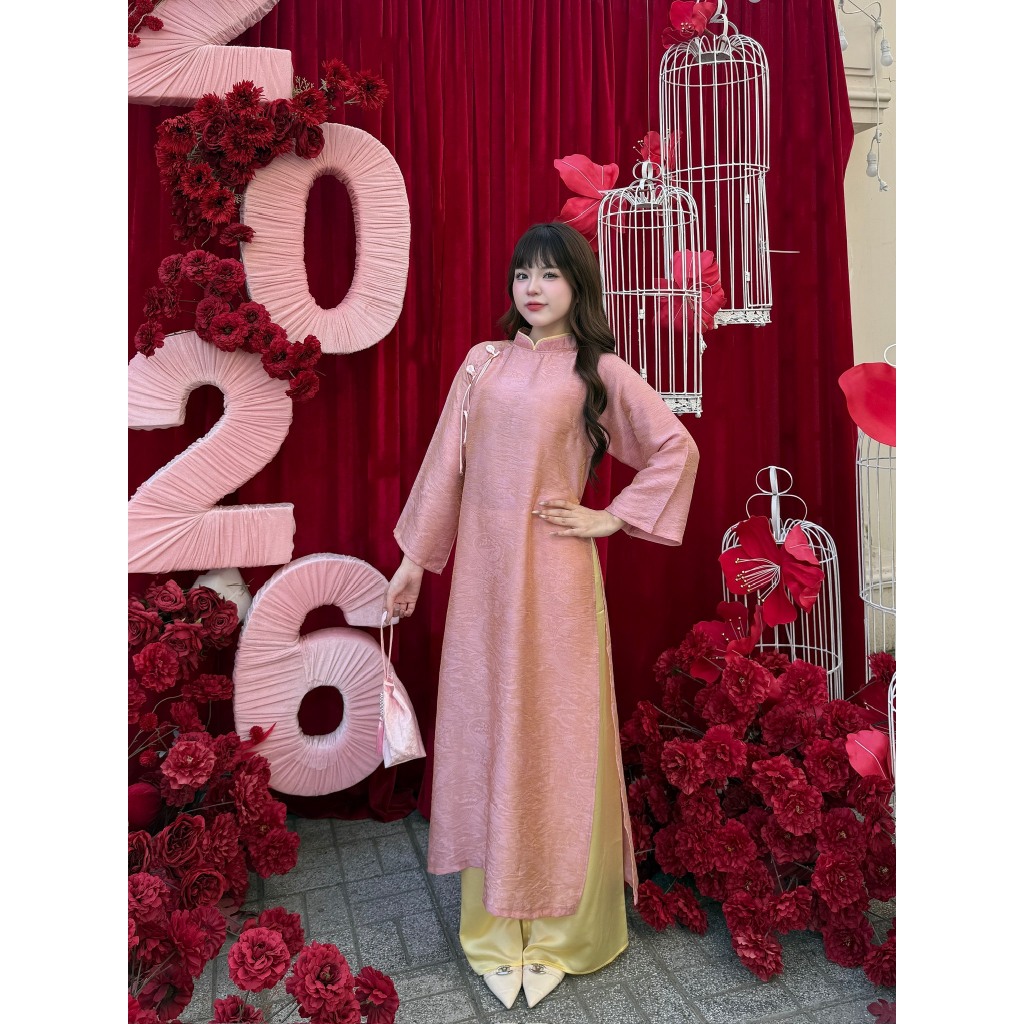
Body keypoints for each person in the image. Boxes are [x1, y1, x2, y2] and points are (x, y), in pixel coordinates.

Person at [385, 222, 699, 1010]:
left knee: (557, 737)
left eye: (551, 274)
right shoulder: (482, 364)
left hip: (558, 579)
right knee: (489, 728)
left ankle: (561, 932)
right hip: (484, 586)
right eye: (523, 272)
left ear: (577, 286)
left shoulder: (598, 370)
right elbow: (444, 468)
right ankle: (496, 931)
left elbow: (675, 448)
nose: (533, 286)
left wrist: (612, 515)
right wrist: (414, 561)